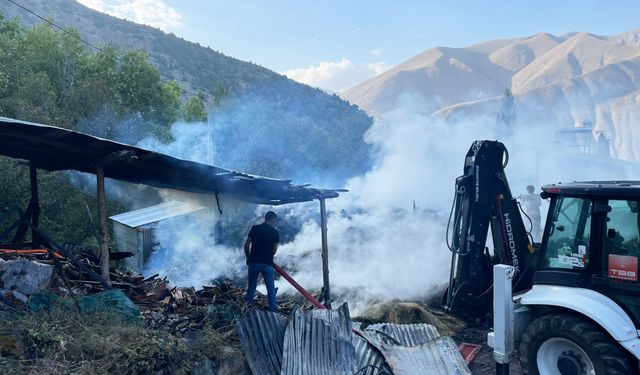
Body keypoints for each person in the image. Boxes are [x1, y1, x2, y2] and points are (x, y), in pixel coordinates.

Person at [244, 211, 280, 311]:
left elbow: (246, 245)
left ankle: (248, 309)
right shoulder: (275, 232)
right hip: (267, 264)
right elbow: (274, 251)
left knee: (251, 287)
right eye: (275, 220)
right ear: (272, 219)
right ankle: (273, 311)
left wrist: (248, 258)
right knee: (270, 289)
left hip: (254, 262)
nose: (275, 222)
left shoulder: (255, 228)